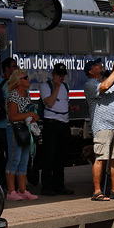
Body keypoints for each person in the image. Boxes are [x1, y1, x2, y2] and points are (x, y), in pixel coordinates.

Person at [84, 56, 114, 201]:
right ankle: (97, 191)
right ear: (91, 71)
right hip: (102, 126)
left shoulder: (112, 80)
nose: (100, 65)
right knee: (101, 158)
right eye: (97, 65)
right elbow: (104, 87)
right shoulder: (90, 85)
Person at [37, 63, 75, 196]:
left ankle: (59, 184)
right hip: (51, 123)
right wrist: (57, 87)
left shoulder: (65, 86)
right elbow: (49, 102)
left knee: (61, 155)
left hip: (64, 122)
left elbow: (63, 102)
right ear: (53, 74)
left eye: (63, 75)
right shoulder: (45, 86)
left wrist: (71, 107)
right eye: (59, 75)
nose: (61, 78)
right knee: (49, 155)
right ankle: (46, 186)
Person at [5, 69, 40, 201]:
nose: (27, 79)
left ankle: (22, 190)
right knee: (14, 159)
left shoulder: (27, 94)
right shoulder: (13, 95)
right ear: (18, 82)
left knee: (24, 160)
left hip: (25, 129)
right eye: (24, 78)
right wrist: (29, 114)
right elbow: (13, 117)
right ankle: (11, 191)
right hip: (15, 129)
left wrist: (32, 117)